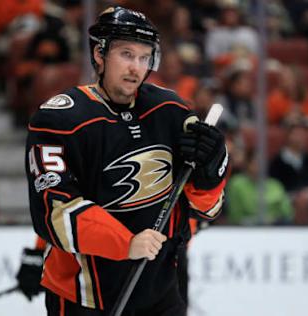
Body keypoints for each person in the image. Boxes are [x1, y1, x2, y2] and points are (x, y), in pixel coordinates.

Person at [25, 6, 228, 316]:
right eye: (126, 54)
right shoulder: (59, 120)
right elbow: (56, 214)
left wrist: (212, 173)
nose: (136, 67)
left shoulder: (170, 111)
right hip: (84, 298)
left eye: (144, 57)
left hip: (160, 292)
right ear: (99, 54)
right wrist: (127, 243)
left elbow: (207, 208)